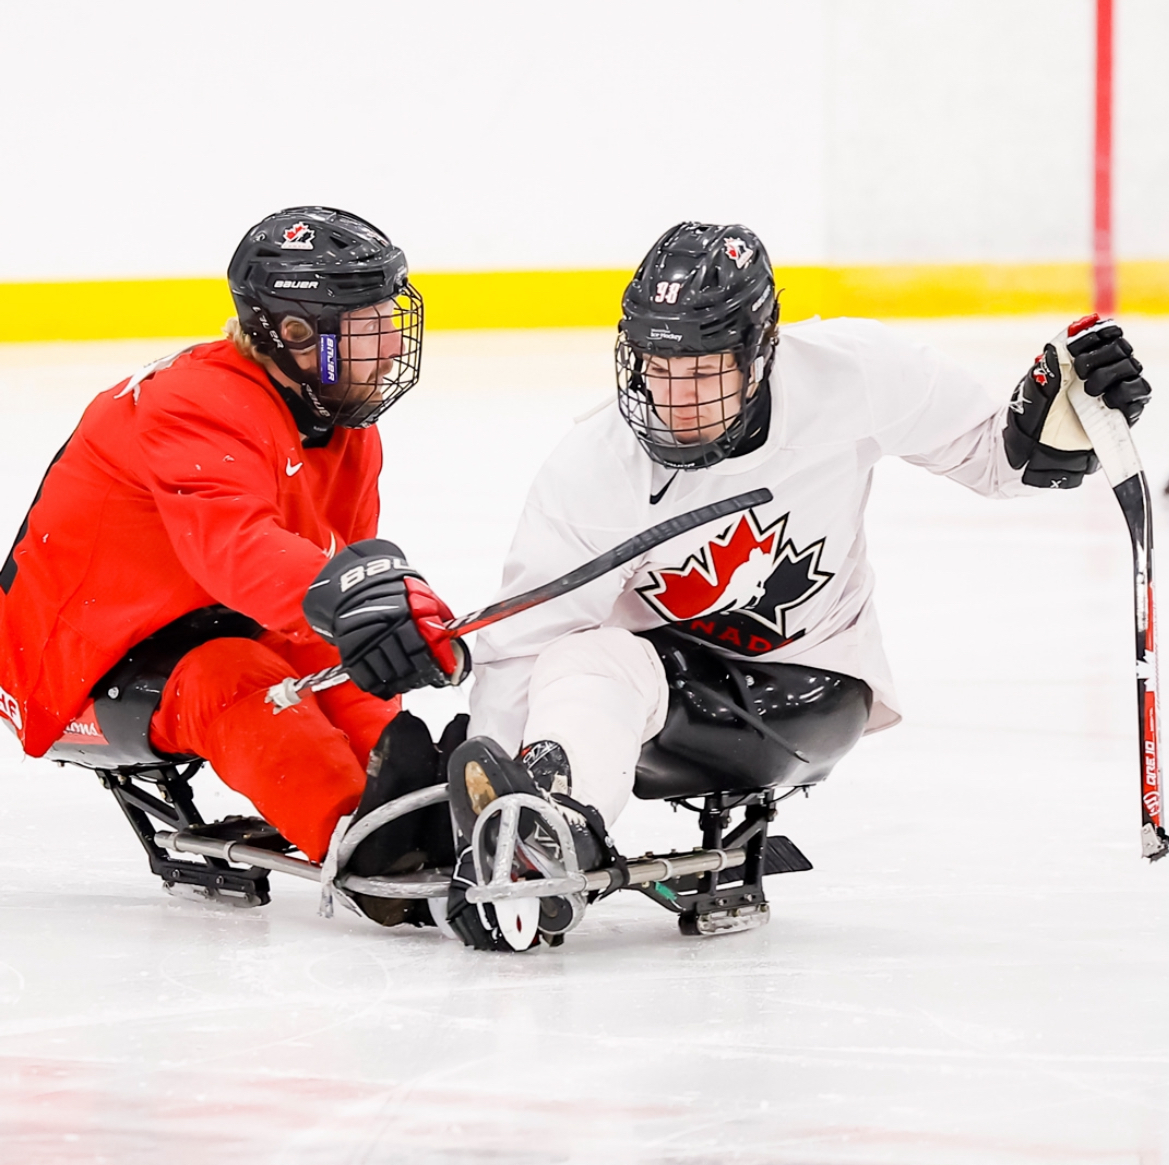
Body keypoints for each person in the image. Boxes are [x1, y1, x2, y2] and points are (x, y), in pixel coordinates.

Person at [437, 221, 1152, 950]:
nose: (676, 399)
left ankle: (545, 831)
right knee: (583, 660)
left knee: (594, 661)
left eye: (704, 369)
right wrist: (483, 823)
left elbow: (998, 461)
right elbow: (524, 642)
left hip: (815, 688)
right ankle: (549, 832)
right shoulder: (593, 466)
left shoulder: (857, 373)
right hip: (666, 700)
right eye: (658, 366)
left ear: (758, 354)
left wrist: (1058, 425)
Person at [0, 206, 465, 924]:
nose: (389, 348)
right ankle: (361, 837)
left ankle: (413, 802)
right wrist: (352, 600)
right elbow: (237, 551)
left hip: (206, 618)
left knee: (332, 655)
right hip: (79, 664)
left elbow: (319, 602)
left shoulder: (342, 424)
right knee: (239, 681)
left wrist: (374, 635)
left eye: (390, 323)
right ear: (294, 334)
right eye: (367, 330)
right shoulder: (196, 402)